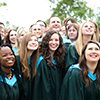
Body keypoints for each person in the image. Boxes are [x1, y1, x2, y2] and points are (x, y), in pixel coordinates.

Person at [33, 30, 65, 100]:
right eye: (50, 40)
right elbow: (43, 88)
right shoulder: (42, 61)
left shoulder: (59, 60)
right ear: (46, 41)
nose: (54, 42)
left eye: (56, 40)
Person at [16, 33, 39, 100]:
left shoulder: (33, 61)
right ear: (24, 42)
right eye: (30, 40)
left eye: (35, 40)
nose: (33, 42)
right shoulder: (17, 59)